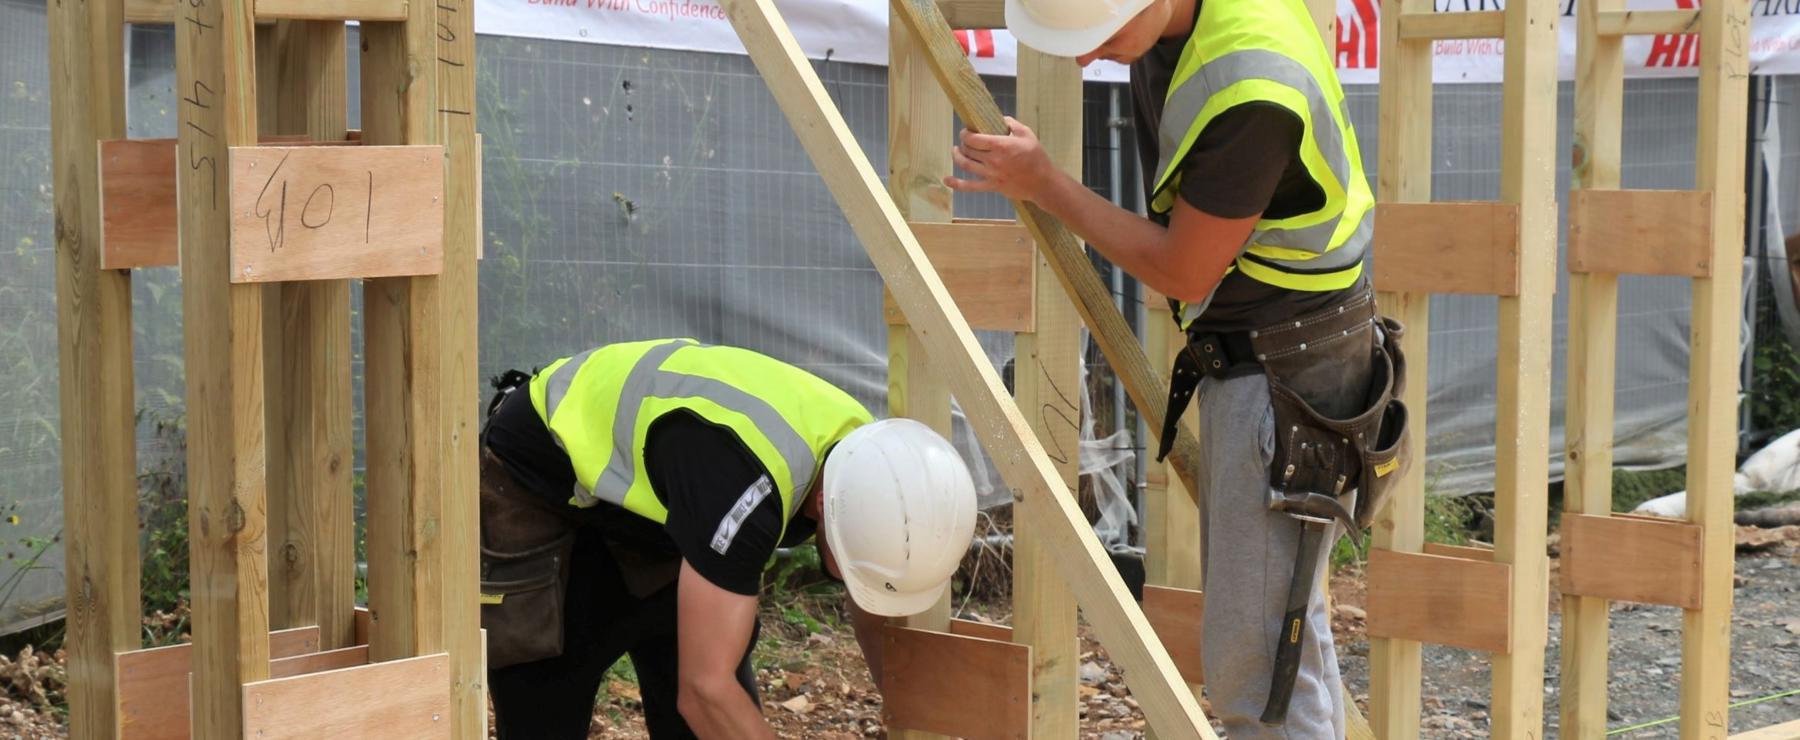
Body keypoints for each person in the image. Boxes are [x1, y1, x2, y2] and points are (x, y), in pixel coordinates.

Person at [947, 0, 1408, 737]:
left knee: (1257, 673)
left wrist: (1045, 184)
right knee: (1285, 641)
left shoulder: (1252, 89)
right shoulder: (1188, 25)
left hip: (1285, 374)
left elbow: (1183, 270)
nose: (1083, 57)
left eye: (1099, 34)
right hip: (1290, 351)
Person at [478, 337, 978, 739]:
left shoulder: (872, 467)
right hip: (540, 479)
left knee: (691, 677)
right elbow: (706, 691)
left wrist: (921, 719)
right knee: (550, 694)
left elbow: (873, 599)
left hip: (654, 496)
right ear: (827, 505)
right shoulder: (746, 492)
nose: (852, 580)